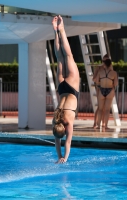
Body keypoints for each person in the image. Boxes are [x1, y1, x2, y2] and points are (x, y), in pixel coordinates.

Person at [52, 15, 80, 163]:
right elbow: (57, 140)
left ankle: (62, 30)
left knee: (68, 56)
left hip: (72, 88)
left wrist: (64, 158)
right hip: (62, 88)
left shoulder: (68, 123)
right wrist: (59, 156)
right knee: (60, 57)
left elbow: (67, 143)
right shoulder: (54, 121)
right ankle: (56, 31)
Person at [94, 58, 118, 130]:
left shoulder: (100, 72)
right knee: (107, 110)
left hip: (102, 90)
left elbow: (96, 81)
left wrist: (102, 82)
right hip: (110, 90)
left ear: (104, 64)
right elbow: (116, 84)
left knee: (100, 109)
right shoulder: (114, 73)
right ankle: (106, 125)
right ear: (110, 64)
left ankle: (98, 125)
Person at [92, 54, 113, 128]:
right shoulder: (99, 68)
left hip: (109, 89)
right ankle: (95, 123)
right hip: (100, 88)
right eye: (105, 60)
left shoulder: (110, 68)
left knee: (106, 107)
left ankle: (104, 123)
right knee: (100, 107)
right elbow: (94, 79)